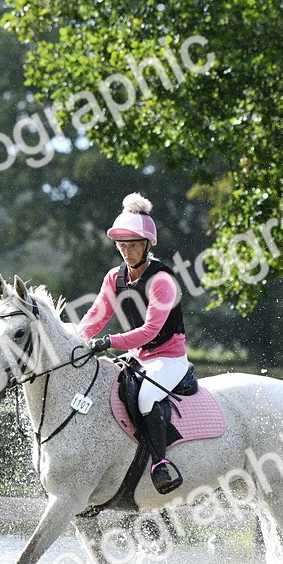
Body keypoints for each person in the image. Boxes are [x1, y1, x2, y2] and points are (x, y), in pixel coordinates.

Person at [78, 192, 188, 495]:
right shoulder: (114, 278)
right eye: (122, 246)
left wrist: (110, 341)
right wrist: (75, 339)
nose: (127, 252)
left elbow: (151, 330)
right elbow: (96, 316)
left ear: (148, 245)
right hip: (138, 355)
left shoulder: (162, 280)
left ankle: (160, 464)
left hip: (168, 358)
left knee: (146, 399)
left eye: (134, 245)